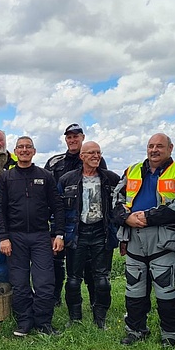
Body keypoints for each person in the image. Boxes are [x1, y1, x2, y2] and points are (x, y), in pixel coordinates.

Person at [113, 133, 175, 347]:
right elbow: (116, 201)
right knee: (134, 289)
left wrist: (147, 217)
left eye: (159, 146)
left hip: (165, 238)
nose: (154, 150)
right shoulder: (131, 171)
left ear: (170, 148)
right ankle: (135, 330)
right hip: (133, 238)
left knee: (166, 288)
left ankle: (173, 334)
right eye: (151, 146)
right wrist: (126, 218)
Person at [0, 136, 64, 337]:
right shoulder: (6, 178)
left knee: (44, 283)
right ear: (15, 152)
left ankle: (44, 323)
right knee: (20, 283)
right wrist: (3, 237)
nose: (24, 150)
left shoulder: (46, 176)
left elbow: (57, 207)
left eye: (28, 147)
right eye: (20, 147)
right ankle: (24, 322)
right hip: (15, 238)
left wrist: (58, 234)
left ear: (34, 151)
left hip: (41, 236)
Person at [57, 141, 119, 329]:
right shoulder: (67, 180)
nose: (96, 156)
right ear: (82, 156)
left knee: (102, 280)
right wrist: (58, 235)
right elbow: (58, 210)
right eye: (91, 152)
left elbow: (120, 207)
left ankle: (100, 319)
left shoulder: (111, 179)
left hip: (102, 233)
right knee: (74, 280)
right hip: (77, 233)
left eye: (98, 152)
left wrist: (121, 235)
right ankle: (74, 319)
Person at [45, 123, 108, 308]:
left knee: (88, 264)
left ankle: (94, 301)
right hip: (61, 219)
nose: (72, 140)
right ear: (65, 139)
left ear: (82, 138)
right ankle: (55, 297)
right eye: (69, 137)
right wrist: (53, 228)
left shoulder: (94, 159)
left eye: (76, 136)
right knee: (57, 261)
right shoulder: (55, 162)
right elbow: (48, 192)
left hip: (84, 224)